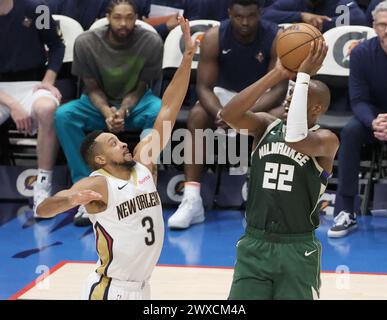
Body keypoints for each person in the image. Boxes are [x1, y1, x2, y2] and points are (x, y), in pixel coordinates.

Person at [36, 17, 198, 300]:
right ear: (99, 159)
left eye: (119, 140)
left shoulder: (144, 162)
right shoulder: (98, 184)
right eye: (113, 143)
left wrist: (186, 57)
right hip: (111, 289)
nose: (123, 142)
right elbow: (44, 210)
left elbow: (169, 107)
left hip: (143, 287)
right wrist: (70, 200)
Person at [220, 40, 339, 300]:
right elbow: (228, 114)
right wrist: (277, 74)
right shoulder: (266, 126)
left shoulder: (325, 140)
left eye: (298, 96)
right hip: (255, 243)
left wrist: (305, 75)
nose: (289, 101)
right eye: (290, 95)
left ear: (317, 108)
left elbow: (296, 139)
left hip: (297, 248)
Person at [167, 0, 288, 230]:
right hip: (223, 99)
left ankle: (263, 199)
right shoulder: (214, 37)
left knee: (280, 116)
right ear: (229, 13)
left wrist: (243, 114)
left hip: (259, 100)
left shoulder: (275, 37)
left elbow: (279, 88)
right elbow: (203, 87)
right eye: (239, 16)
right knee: (197, 115)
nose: (245, 22)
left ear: (259, 13)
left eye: (251, 16)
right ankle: (192, 199)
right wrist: (223, 113)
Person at [54, 0, 163, 226]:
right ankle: (87, 190)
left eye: (129, 17)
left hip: (136, 104)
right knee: (64, 115)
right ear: (107, 17)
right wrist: (106, 112)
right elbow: (90, 87)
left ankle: (142, 184)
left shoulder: (150, 41)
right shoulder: (86, 43)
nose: (123, 23)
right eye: (118, 17)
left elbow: (141, 86)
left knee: (161, 112)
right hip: (97, 104)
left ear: (137, 18)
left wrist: (123, 110)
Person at [328, 0, 387, 238]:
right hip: (373, 118)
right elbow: (359, 99)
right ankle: (345, 211)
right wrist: (374, 122)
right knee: (351, 132)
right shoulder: (362, 53)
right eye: (382, 25)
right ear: (374, 26)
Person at [0, 0, 65, 215]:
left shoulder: (38, 8)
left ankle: (43, 185)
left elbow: (57, 46)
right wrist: (13, 105)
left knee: (47, 109)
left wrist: (48, 80)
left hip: (32, 83)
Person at [262, 0, 367, 32]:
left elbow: (359, 19)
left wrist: (313, 24)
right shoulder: (293, 2)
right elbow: (264, 15)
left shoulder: (338, 2)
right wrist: (301, 15)